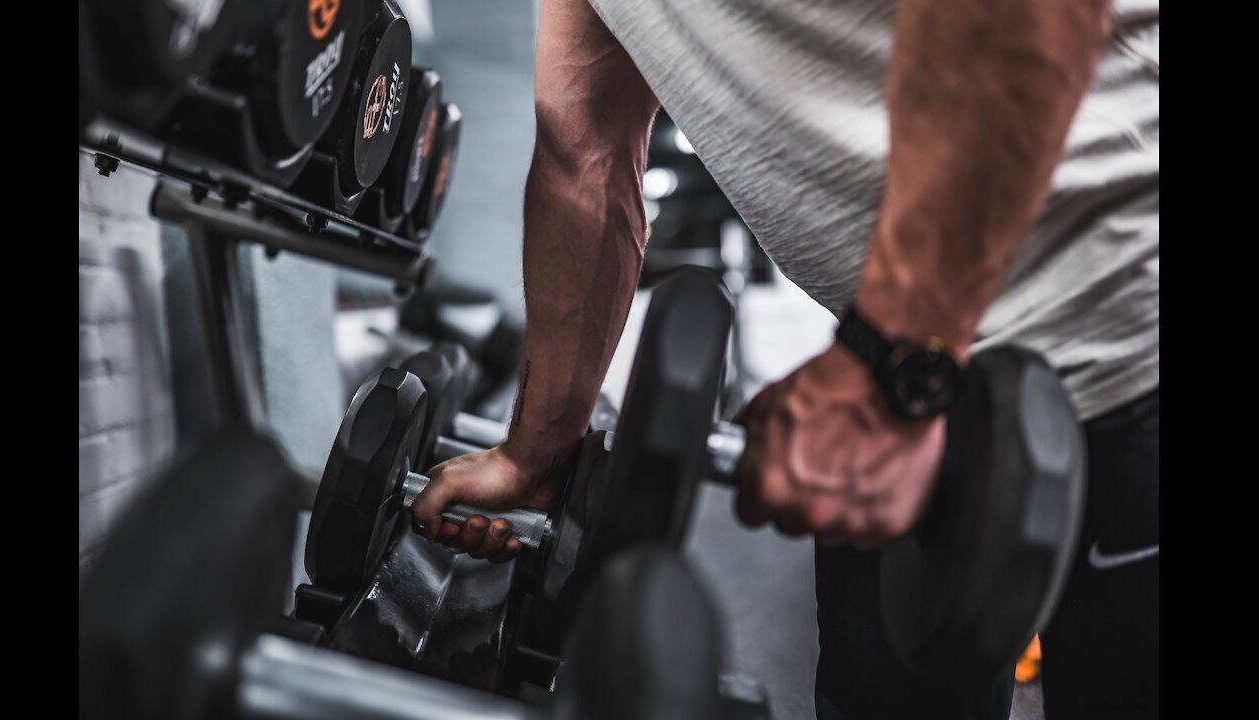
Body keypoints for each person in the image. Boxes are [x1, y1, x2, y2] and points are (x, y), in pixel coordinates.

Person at [412, 0, 1159, 717]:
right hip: (912, 365)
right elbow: (585, 156)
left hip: (1122, 328)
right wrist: (538, 451)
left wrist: (890, 367)